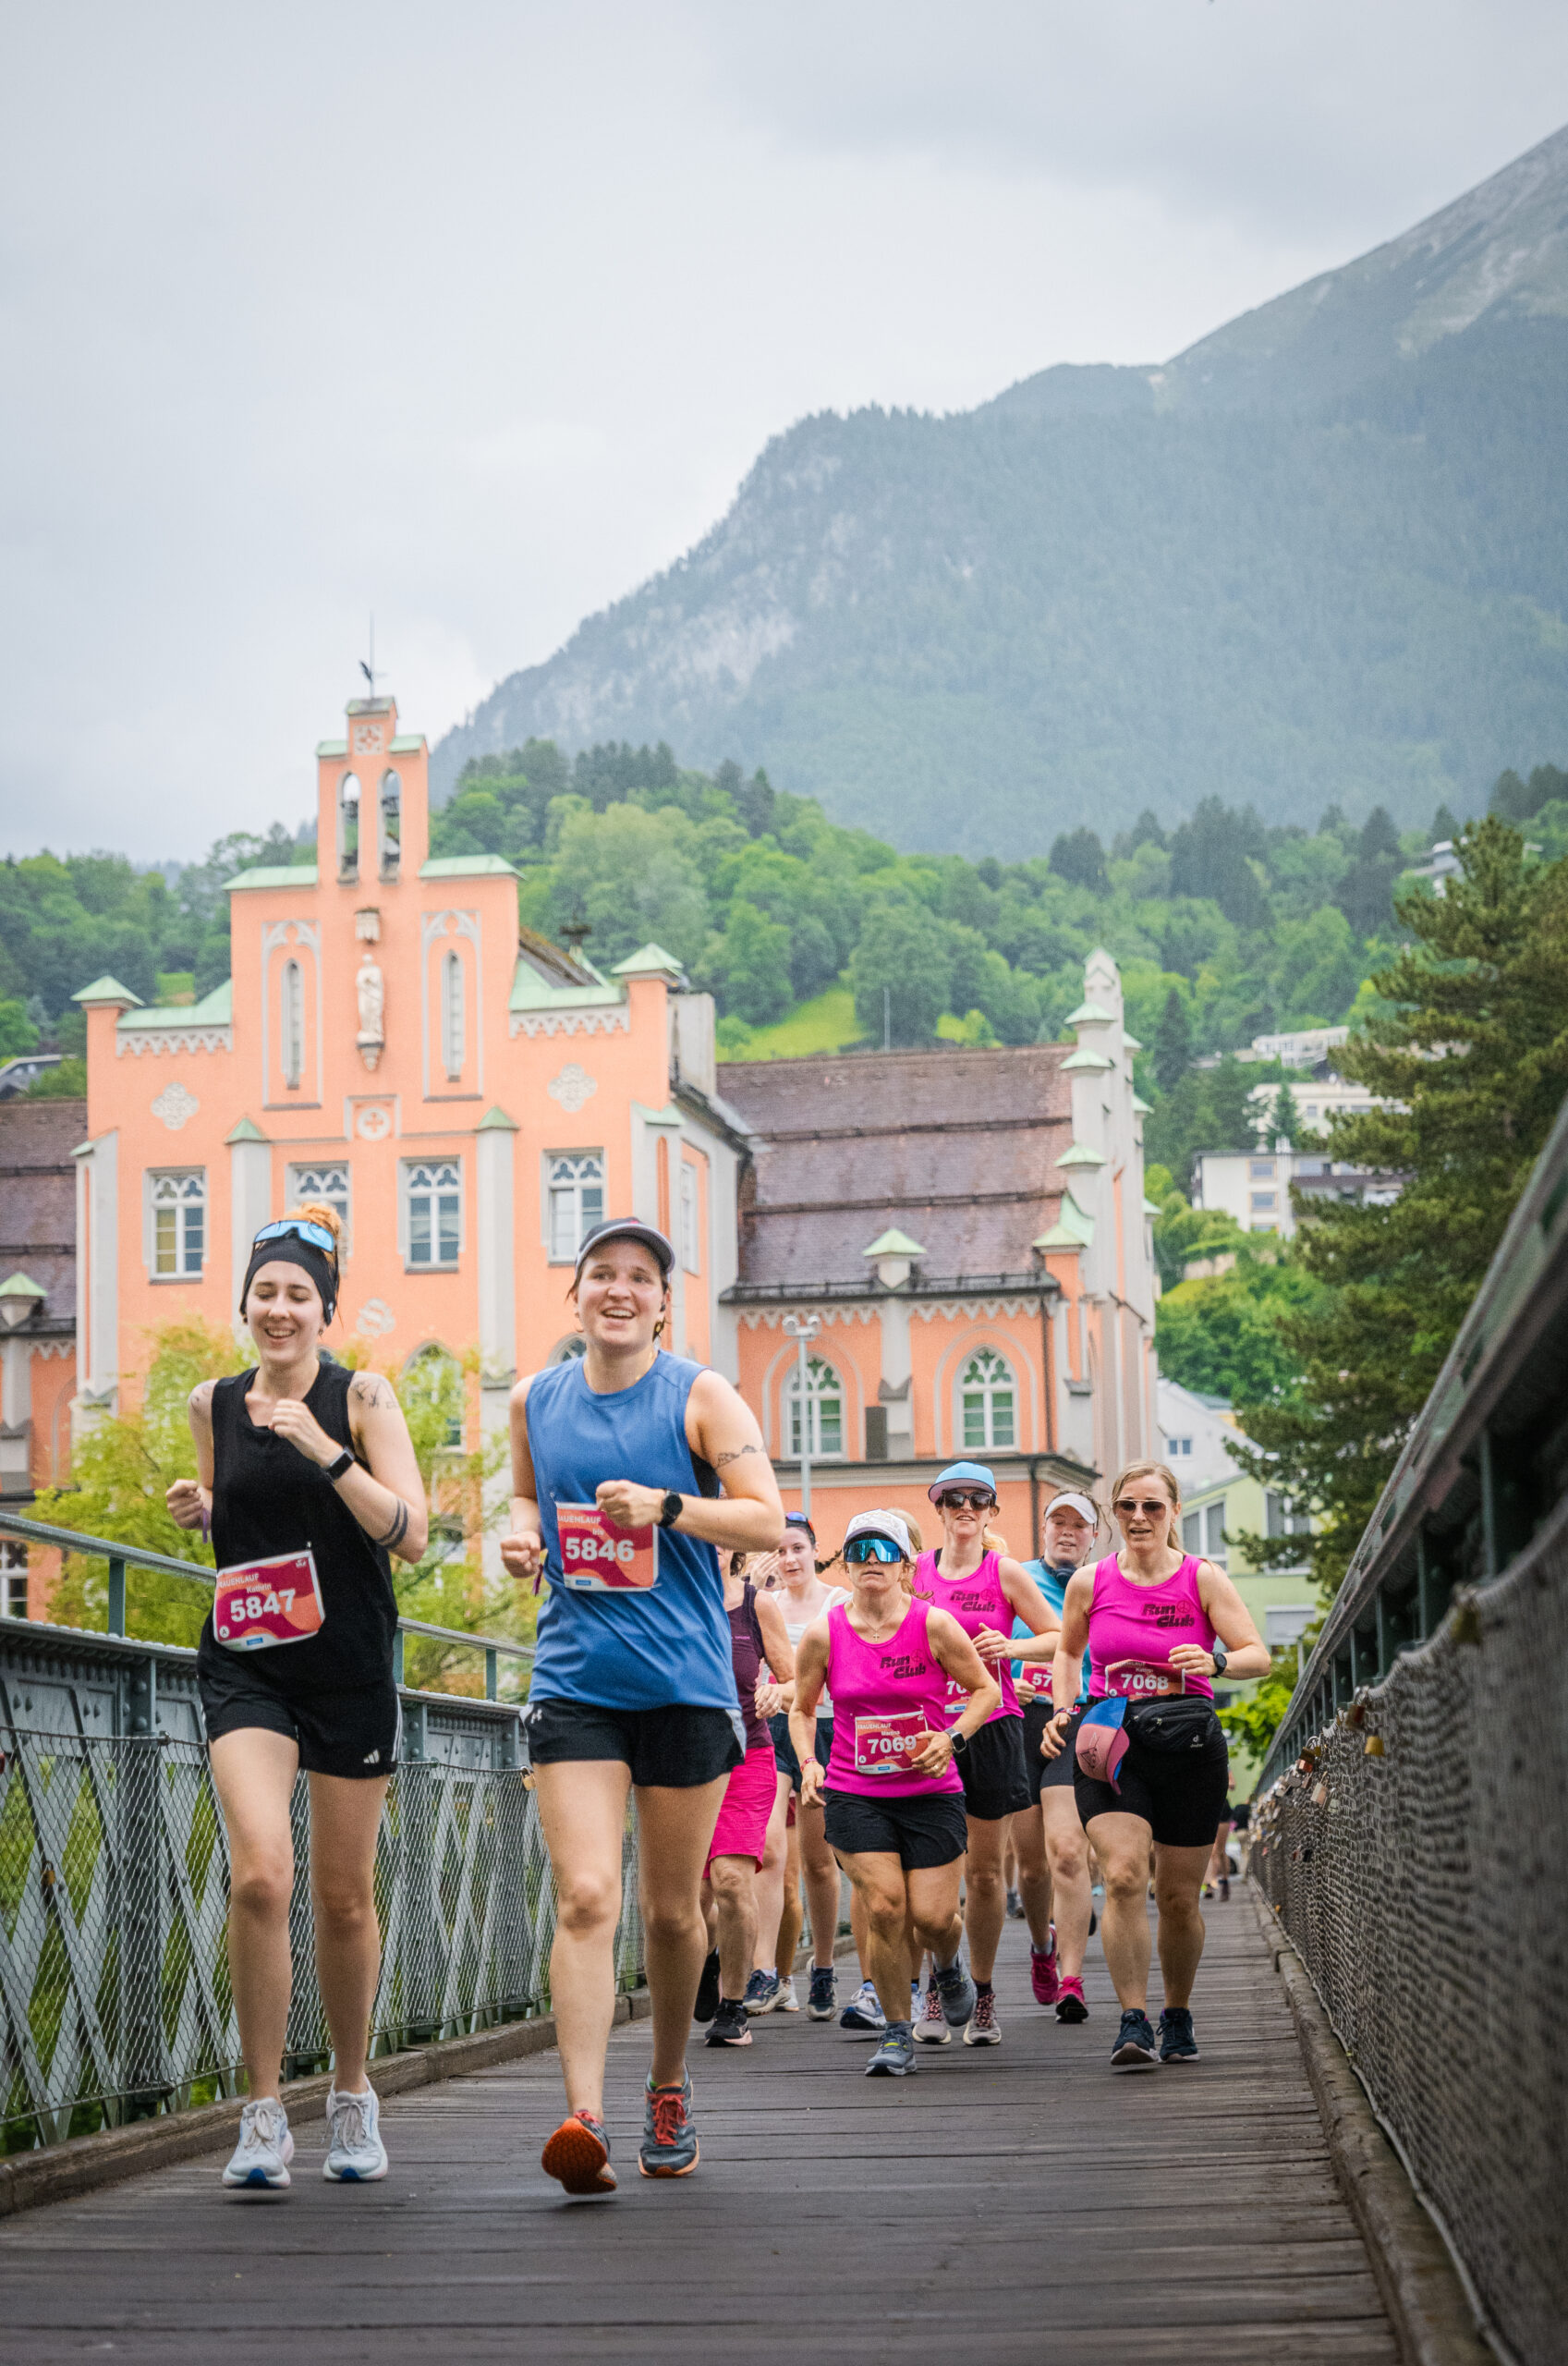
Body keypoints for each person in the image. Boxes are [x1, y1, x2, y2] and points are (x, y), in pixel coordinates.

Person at [500, 1217, 784, 2191]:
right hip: (575, 1679)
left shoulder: (699, 1395)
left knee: (670, 1913)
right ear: (575, 1293)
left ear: (664, 1303)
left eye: (639, 1278)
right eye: (600, 1274)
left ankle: (666, 2084)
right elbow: (526, 1498)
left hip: (683, 1686)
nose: (618, 1290)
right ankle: (582, 2116)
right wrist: (520, 1539)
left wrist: (667, 1507)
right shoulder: (535, 1398)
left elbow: (764, 1518)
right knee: (586, 1896)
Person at [166, 1206, 429, 2190]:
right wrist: (201, 1509)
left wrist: (325, 1447)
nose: (279, 1309)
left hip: (348, 1663)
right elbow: (234, 1518)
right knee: (260, 1876)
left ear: (325, 1309)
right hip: (250, 1662)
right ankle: (264, 2112)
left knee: (344, 1895)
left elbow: (411, 1533)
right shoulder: (212, 1402)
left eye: (298, 1294)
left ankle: (352, 2094)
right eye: (264, 1292)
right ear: (245, 1303)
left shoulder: (360, 1396)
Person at [1040, 1462, 1270, 2068]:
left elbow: (1258, 1655)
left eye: (1152, 1507)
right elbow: (1066, 1652)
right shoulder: (1090, 1582)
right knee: (1121, 1876)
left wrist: (1216, 1663)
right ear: (1114, 1513)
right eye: (1127, 1507)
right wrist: (1063, 1708)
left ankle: (1177, 2011)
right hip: (1111, 1738)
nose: (1138, 1518)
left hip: (1187, 1743)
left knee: (1176, 1896)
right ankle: (1133, 2019)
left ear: (1173, 1513)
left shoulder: (1201, 1578)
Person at [791, 1510, 1000, 2079]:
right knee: (885, 1907)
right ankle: (896, 2031)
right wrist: (809, 1763)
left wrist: (951, 1738)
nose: (871, 1562)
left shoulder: (935, 1625)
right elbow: (802, 1710)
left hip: (930, 1791)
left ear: (906, 1566)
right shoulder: (824, 1633)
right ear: (846, 1565)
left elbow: (985, 1691)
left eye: (884, 1551)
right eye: (859, 1551)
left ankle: (949, 1964)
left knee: (932, 1918)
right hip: (855, 1791)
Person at [911, 1466, 1056, 2048]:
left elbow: (1058, 1637)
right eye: (954, 1499)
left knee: (986, 1872)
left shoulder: (1004, 1571)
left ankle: (984, 1991)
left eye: (978, 1499)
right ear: (940, 1510)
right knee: (930, 1868)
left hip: (992, 1728)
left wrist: (1012, 1645)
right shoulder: (916, 1572)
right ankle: (936, 1987)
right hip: (928, 1731)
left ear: (992, 1511)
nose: (965, 1507)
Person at [749, 1513, 848, 2020]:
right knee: (767, 1849)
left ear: (814, 1551)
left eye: (797, 1549)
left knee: (817, 1860)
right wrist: (752, 1590)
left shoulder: (838, 1603)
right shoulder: (760, 1605)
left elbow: (833, 1682)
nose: (788, 1560)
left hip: (823, 1731)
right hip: (772, 1730)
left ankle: (824, 1966)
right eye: (780, 1551)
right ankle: (764, 1970)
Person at [700, 1554, 795, 2045]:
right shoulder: (669, 1596)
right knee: (691, 1901)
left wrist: (780, 1693)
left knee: (732, 1881)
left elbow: (797, 1682)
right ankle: (707, 1957)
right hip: (683, 1764)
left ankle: (733, 2006)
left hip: (747, 1758)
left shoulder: (757, 1606)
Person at [1016, 1489, 1100, 2022]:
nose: (1067, 1532)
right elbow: (978, 1646)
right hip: (1019, 1721)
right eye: (1058, 1522)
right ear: (1043, 1529)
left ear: (1094, 1536)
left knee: (1068, 1851)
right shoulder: (1016, 1579)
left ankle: (1072, 1980)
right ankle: (1042, 1945)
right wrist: (1005, 1681)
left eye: (1079, 1525)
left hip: (1078, 1720)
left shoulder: (1104, 1584)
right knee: (1031, 1868)